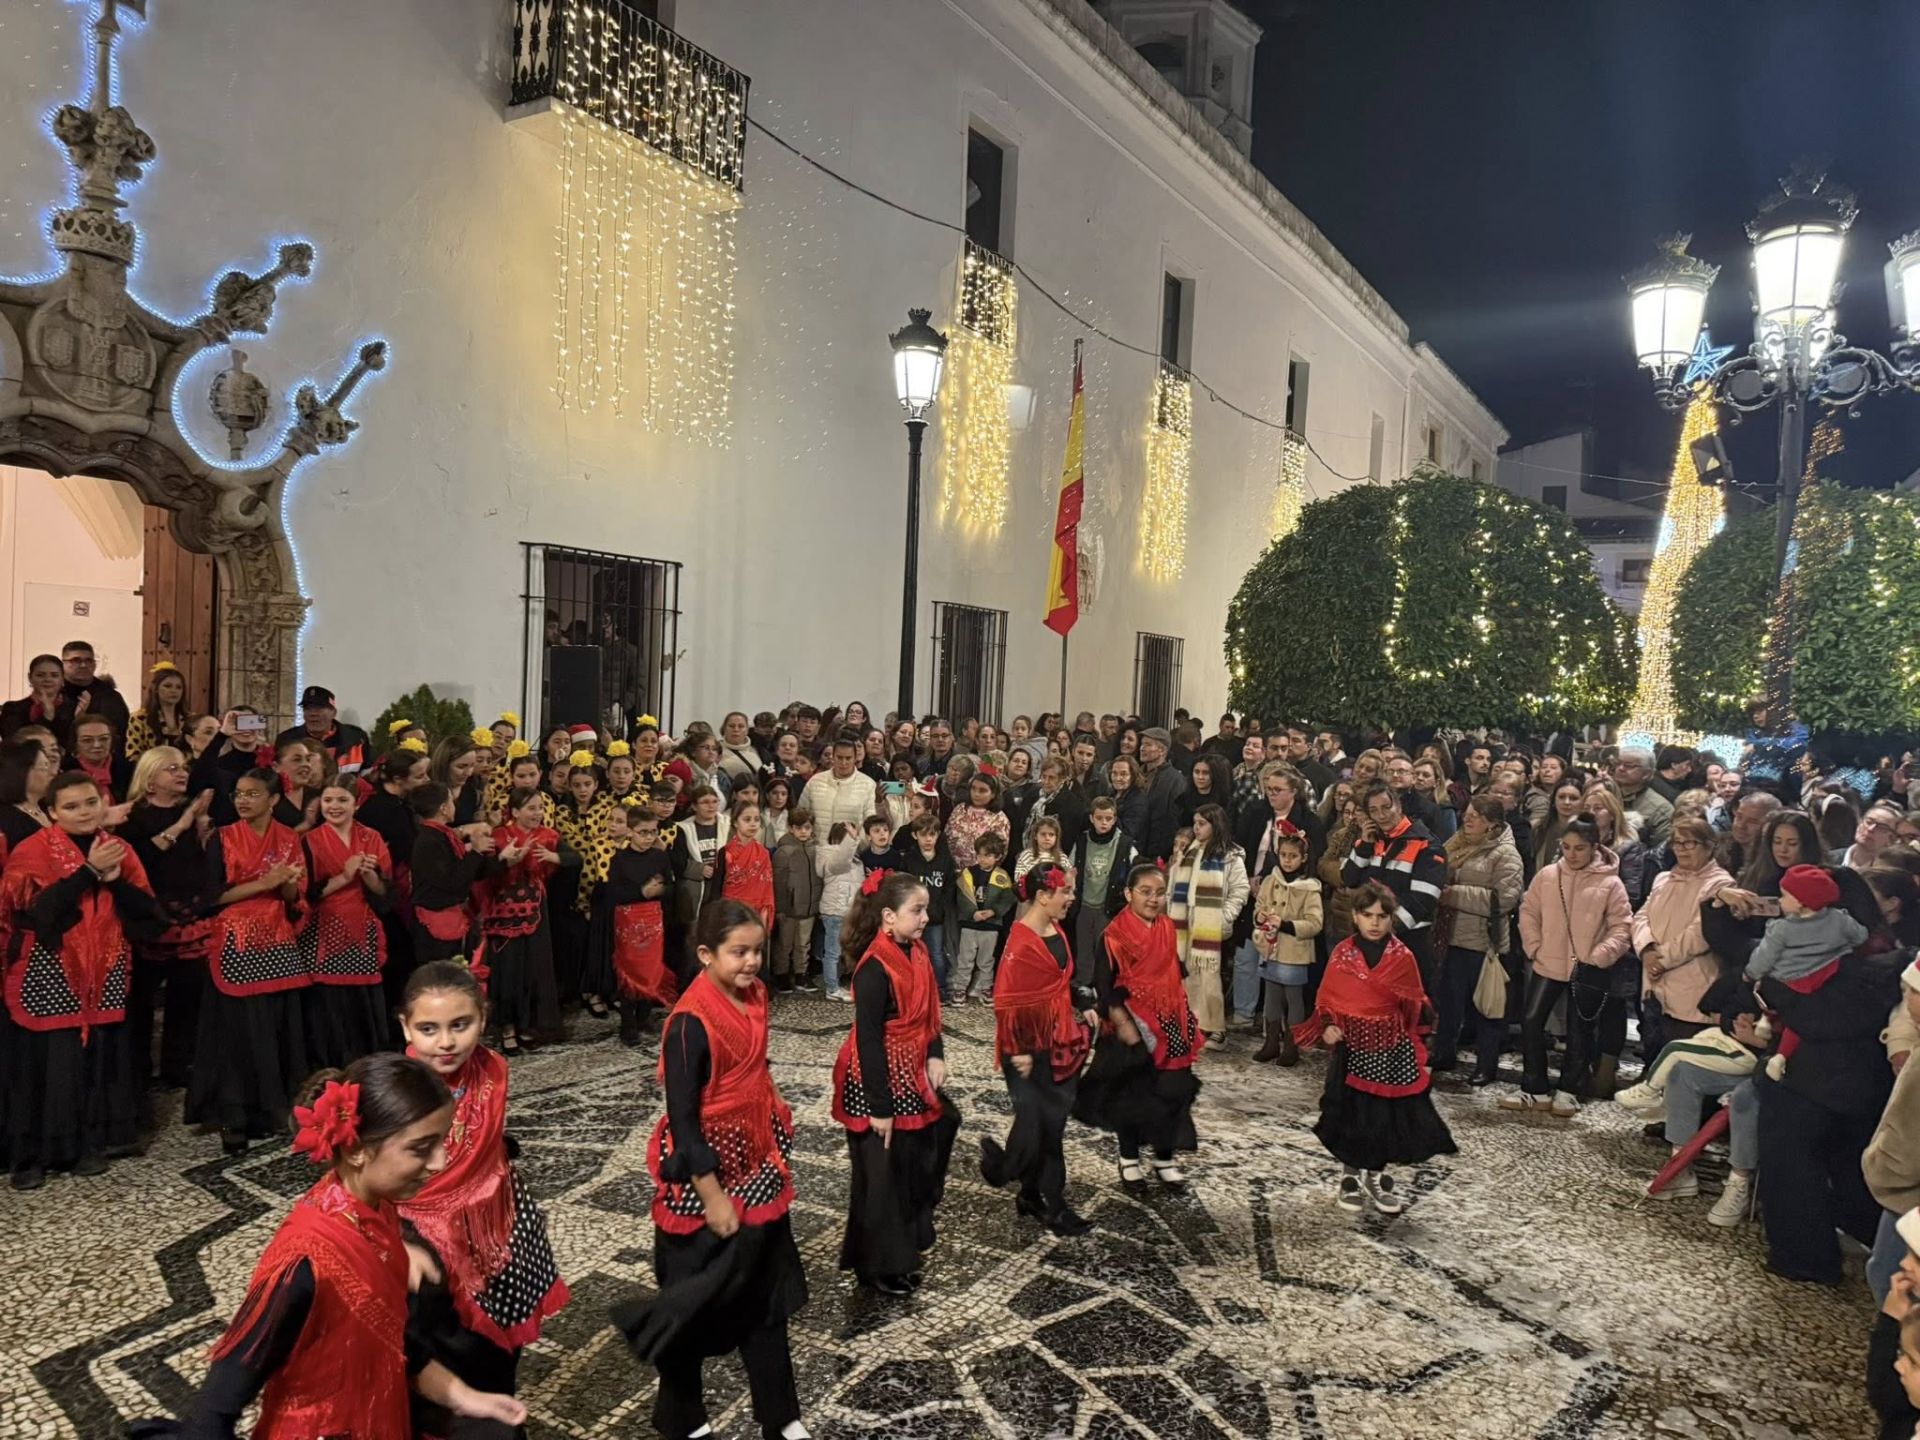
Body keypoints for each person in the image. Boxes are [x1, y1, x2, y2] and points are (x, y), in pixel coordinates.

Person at [144, 1054, 527, 1437]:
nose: (440, 1161)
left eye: (442, 1142)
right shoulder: (306, 1260)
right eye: (421, 1148)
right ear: (358, 1148)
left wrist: (461, 1395)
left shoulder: (378, 1211)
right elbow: (230, 1381)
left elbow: (390, 1338)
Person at [621, 899, 810, 1440]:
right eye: (738, 953)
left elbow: (757, 1066)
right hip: (705, 1178)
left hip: (754, 1162)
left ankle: (781, 1415)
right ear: (706, 954)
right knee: (690, 1305)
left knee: (764, 1294)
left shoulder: (756, 996)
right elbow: (683, 1120)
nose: (752, 962)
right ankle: (682, 1418)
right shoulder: (688, 1025)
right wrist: (711, 1195)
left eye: (757, 950)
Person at [397, 964, 569, 1436]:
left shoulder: (494, 1068)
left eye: (461, 1025)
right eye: (428, 1029)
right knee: (446, 1359)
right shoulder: (395, 1091)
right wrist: (397, 1240)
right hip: (428, 1249)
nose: (446, 1042)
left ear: (483, 1017)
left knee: (503, 1351)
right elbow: (359, 1178)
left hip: (503, 1230)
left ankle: (504, 1417)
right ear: (405, 1027)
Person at [0, 771, 160, 1189]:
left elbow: (149, 915)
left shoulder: (118, 849)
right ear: (51, 812)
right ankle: (31, 1154)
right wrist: (88, 872)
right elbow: (37, 911)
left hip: (104, 966)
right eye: (71, 806)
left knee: (95, 1062)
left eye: (91, 802)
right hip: (49, 968)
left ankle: (88, 1144)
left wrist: (114, 882)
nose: (84, 812)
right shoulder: (32, 850)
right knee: (42, 1063)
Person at [830, 870, 958, 1295]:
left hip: (911, 1069)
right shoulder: (873, 969)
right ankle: (877, 1266)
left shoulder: (917, 952)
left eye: (925, 909)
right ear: (888, 917)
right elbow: (868, 1040)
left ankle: (904, 1247)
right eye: (916, 910)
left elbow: (929, 1011)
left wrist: (935, 1052)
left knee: (915, 1159)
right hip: (878, 1079)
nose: (925, 918)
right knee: (881, 1178)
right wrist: (879, 1107)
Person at [1300, 880, 1457, 1216]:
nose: (1374, 922)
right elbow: (1327, 997)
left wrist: (1422, 1050)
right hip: (1352, 1048)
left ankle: (1376, 1175)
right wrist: (1327, 1025)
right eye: (1367, 915)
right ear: (1355, 917)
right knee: (1354, 1113)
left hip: (1391, 1049)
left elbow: (1416, 1005)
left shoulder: (1403, 958)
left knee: (1383, 1116)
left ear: (1391, 919)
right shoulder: (1342, 954)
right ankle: (1351, 1174)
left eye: (1382, 916)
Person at [190, 769, 312, 1155]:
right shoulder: (222, 838)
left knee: (276, 1026)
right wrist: (265, 882)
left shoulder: (291, 838)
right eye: (239, 794)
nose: (243, 801)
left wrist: (288, 882)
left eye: (253, 794)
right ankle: (233, 1116)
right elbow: (210, 898)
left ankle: (271, 1110)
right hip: (236, 940)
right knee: (236, 1033)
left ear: (273, 800)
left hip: (277, 938)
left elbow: (294, 897)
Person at [979, 865, 1097, 1236]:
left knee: (1048, 1124)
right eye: (1066, 892)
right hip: (1027, 1052)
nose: (1071, 898)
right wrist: (1020, 1051)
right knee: (1044, 1124)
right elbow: (1006, 1003)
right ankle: (1043, 1198)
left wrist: (1080, 997)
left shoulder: (1055, 928)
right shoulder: (1020, 945)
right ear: (1043, 896)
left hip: (1059, 1041)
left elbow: (1059, 979)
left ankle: (1028, 1191)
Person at [1078, 862, 1202, 1184]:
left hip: (1169, 1020)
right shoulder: (1114, 935)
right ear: (1128, 893)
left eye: (1160, 893)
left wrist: (1181, 1012)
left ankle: (1164, 1157)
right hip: (1130, 1025)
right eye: (1145, 892)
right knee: (1133, 1096)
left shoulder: (1166, 927)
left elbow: (1174, 973)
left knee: (1171, 1091)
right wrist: (1123, 1023)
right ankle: (1128, 1157)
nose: (1153, 899)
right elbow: (1103, 986)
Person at [1503, 816, 1632, 1117]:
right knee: (1532, 1020)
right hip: (1548, 960)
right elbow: (1529, 910)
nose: (1572, 854)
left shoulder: (1610, 882)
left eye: (1580, 848)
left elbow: (1622, 926)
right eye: (1566, 847)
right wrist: (1533, 945)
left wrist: (1600, 955)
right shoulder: (1548, 875)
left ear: (1594, 847)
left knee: (1580, 1029)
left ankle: (1569, 1089)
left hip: (1587, 967)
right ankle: (1533, 1086)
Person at [119, 746, 214, 1088]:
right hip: (149, 917)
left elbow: (199, 862)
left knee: (186, 998)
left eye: (183, 767)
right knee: (141, 1003)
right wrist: (184, 823)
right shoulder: (134, 816)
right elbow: (142, 858)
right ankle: (138, 1072)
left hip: (189, 915)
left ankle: (177, 1068)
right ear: (149, 779)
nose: (181, 773)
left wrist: (200, 830)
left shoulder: (191, 812)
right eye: (171, 768)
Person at [1746, 863, 1869, 1085]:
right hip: (1823, 977)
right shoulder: (1839, 920)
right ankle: (1780, 1051)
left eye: (1784, 896)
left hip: (1790, 981)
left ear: (1801, 902)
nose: (1780, 900)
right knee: (1799, 1020)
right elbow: (1860, 936)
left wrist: (1749, 974)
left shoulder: (1781, 929)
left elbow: (1763, 958)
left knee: (1768, 991)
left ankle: (1771, 1034)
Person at [299, 779, 392, 1069]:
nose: (334, 807)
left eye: (342, 800)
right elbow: (306, 894)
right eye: (328, 800)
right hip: (323, 928)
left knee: (361, 1002)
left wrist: (368, 876)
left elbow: (385, 894)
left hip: (361, 926)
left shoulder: (371, 837)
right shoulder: (309, 841)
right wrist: (344, 876)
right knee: (327, 1003)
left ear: (356, 803)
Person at [1433, 795, 1524, 1084]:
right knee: (1448, 1002)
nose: (1467, 820)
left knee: (1487, 1007)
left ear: (1492, 824)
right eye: (1467, 814)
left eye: (1475, 816)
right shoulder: (1457, 843)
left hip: (1484, 942)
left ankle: (1487, 1064)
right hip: (1451, 936)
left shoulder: (1505, 854)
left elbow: (1505, 899)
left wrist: (1452, 895)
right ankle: (1443, 1052)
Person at [1632, 815, 1735, 1064]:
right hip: (1654, 980)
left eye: (1690, 843)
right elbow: (1641, 917)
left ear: (1709, 846)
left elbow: (1700, 934)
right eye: (1677, 843)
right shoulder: (1663, 879)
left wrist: (1662, 960)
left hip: (1691, 981)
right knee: (1654, 1053)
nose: (1682, 849)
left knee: (1680, 1058)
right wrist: (1646, 950)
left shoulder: (1720, 884)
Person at [481, 787, 572, 1055]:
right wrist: (505, 861)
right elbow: (483, 874)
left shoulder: (548, 836)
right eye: (531, 808)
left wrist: (555, 857)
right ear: (515, 811)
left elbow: (574, 859)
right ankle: (507, 1028)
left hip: (536, 909)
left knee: (534, 968)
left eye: (540, 808)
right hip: (502, 910)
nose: (537, 813)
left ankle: (527, 1025)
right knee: (508, 969)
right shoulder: (498, 837)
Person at [1340, 781, 1446, 990]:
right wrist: (1364, 846)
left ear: (1399, 806)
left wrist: (1383, 927)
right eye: (1374, 810)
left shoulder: (1427, 844)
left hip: (1409, 942)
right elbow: (1349, 878)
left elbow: (1423, 900)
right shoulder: (1370, 840)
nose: (1381, 815)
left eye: (1386, 807)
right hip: (1371, 938)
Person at [593, 804, 677, 1046]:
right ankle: (628, 1023)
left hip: (653, 921)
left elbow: (671, 887)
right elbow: (613, 895)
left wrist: (660, 890)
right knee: (629, 973)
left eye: (653, 832)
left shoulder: (660, 856)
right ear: (630, 831)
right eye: (643, 832)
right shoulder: (619, 859)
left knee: (651, 970)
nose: (649, 838)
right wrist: (642, 891)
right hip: (628, 923)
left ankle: (644, 1016)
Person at [1167, 803, 1249, 1048]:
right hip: (1188, 917)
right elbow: (1180, 882)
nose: (1196, 828)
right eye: (1195, 823)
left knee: (1209, 976)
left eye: (1202, 823)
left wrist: (1225, 916)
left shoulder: (1230, 855)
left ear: (1216, 824)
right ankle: (1192, 1021)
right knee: (1188, 973)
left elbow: (1240, 889)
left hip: (1210, 921)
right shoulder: (1193, 849)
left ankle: (1215, 1027)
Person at [410, 782, 513, 969]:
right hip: (436, 925)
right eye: (451, 801)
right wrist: (475, 851)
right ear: (443, 808)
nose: (454, 806)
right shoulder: (429, 841)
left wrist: (503, 860)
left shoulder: (442, 835)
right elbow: (453, 881)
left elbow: (470, 873)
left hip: (453, 917)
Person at [1250, 831, 1322, 1066]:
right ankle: (1271, 1042)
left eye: (1293, 856)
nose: (1287, 860)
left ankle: (1292, 1045)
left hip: (1295, 951)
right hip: (1271, 949)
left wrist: (1287, 925)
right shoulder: (1271, 881)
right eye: (1283, 855)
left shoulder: (1310, 888)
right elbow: (1259, 906)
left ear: (1303, 858)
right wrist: (1260, 916)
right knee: (1271, 996)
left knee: (1293, 999)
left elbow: (1315, 923)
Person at [1069, 796, 1134, 984]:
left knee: (1104, 949)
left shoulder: (1124, 844)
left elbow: (1134, 870)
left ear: (1114, 819)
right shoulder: (1082, 841)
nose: (1104, 823)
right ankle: (1083, 983)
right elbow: (1071, 868)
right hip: (1084, 905)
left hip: (1108, 906)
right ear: (1091, 818)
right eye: (1099, 818)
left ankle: (1102, 985)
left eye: (1108, 818)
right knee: (1083, 946)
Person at [896, 813, 956, 1001]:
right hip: (912, 917)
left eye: (932, 834)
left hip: (935, 917)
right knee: (911, 952)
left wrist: (941, 909)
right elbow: (903, 885)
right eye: (923, 834)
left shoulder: (945, 860)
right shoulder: (909, 859)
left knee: (936, 953)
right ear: (915, 836)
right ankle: (912, 987)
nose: (928, 839)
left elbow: (949, 887)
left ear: (938, 835)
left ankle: (939, 988)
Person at [952, 831, 1015, 1006]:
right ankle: (960, 988)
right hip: (970, 923)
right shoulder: (968, 873)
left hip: (991, 925)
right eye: (979, 855)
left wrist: (993, 911)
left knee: (986, 960)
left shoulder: (1001, 876)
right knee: (965, 958)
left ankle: (986, 988)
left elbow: (1007, 898)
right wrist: (972, 912)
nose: (982, 859)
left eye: (987, 856)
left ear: (998, 857)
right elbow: (962, 896)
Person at [769, 807, 819, 993]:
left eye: (807, 827)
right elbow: (779, 883)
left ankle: (801, 974)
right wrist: (781, 908)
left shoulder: (815, 849)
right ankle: (781, 975)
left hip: (808, 906)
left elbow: (817, 879)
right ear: (791, 828)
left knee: (803, 943)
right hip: (789, 908)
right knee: (785, 943)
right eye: (799, 828)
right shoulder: (784, 852)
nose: (804, 832)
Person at [814, 818, 861, 1001]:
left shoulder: (855, 860)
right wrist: (851, 840)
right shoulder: (830, 855)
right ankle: (831, 988)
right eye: (850, 836)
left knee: (842, 952)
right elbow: (841, 861)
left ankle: (838, 983)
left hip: (848, 912)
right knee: (832, 952)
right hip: (835, 910)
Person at [274, 685, 370, 774]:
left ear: (333, 712)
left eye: (319, 708)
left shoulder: (356, 739)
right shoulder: (286, 740)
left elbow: (368, 775)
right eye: (308, 708)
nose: (313, 714)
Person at [717, 800, 776, 937]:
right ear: (736, 822)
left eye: (756, 819)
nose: (753, 823)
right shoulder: (725, 853)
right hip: (730, 913)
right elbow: (716, 889)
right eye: (747, 819)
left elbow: (766, 890)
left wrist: (763, 917)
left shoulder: (763, 853)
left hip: (756, 914)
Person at [58, 640, 131, 745]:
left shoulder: (109, 696)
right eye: (76, 660)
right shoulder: (55, 693)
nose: (83, 665)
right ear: (62, 664)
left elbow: (122, 732)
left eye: (88, 660)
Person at [1134, 728, 1188, 863]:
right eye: (1142, 744)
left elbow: (1172, 820)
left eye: (1148, 744)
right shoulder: (1136, 774)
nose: (1142, 748)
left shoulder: (1175, 780)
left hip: (1157, 852)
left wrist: (1163, 854)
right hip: (1134, 848)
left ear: (1162, 750)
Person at [1, 653, 72, 747]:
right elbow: (13, 744)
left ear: (63, 679)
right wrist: (47, 717)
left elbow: (71, 745)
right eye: (40, 675)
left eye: (54, 675)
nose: (47, 679)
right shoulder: (12, 709)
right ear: (30, 678)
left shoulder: (72, 708)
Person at [124, 661, 191, 758]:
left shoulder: (190, 719)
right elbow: (133, 754)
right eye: (167, 686)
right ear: (155, 688)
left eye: (179, 687)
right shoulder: (139, 718)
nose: (174, 691)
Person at [68, 712, 132, 804]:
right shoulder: (65, 771)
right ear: (75, 743)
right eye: (87, 740)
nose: (97, 745)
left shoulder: (128, 768)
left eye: (104, 739)